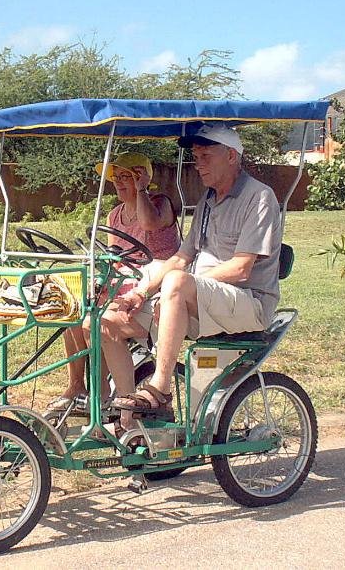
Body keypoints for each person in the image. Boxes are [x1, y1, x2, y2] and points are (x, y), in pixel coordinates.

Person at [100, 125, 282, 431]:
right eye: (196, 157)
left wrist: (186, 282)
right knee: (107, 321)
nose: (199, 164)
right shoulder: (208, 202)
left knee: (178, 282)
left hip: (248, 302)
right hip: (199, 299)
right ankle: (130, 418)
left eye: (206, 156)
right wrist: (139, 294)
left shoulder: (260, 197)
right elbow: (179, 259)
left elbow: (241, 269)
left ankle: (160, 387)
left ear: (231, 156)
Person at [45, 152, 180, 414]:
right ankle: (77, 386)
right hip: (124, 280)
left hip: (156, 280)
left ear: (143, 178)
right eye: (116, 177)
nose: (119, 183)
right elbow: (113, 258)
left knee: (93, 323)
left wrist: (141, 190)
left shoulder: (160, 204)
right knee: (72, 314)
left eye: (127, 177)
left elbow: (148, 223)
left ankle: (104, 396)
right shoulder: (115, 215)